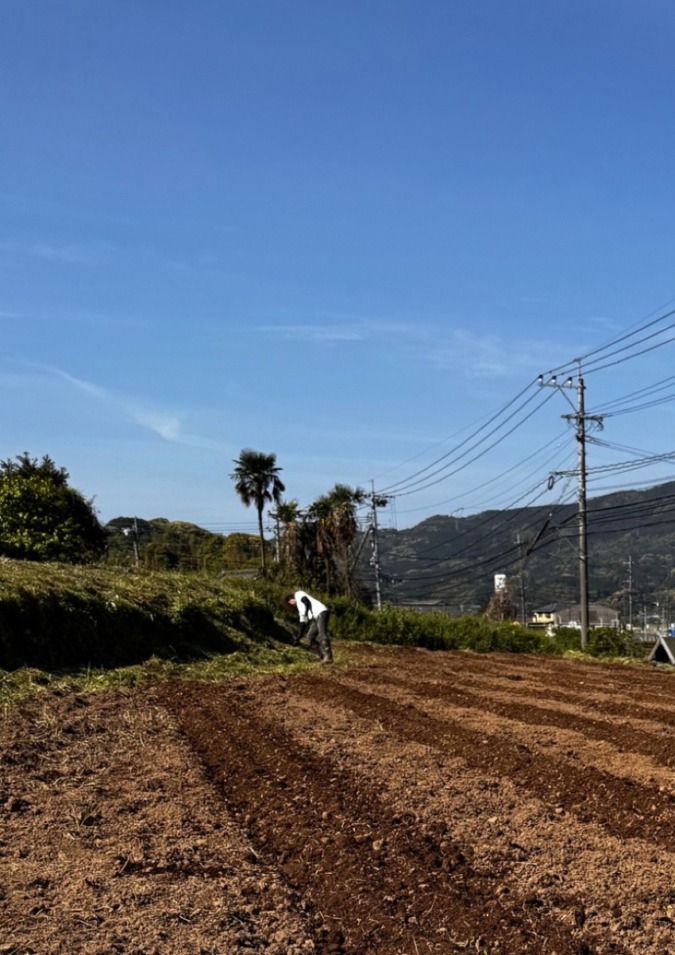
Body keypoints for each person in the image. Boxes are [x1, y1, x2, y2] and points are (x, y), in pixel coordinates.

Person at [285, 590, 333, 663]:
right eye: (290, 603)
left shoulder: (298, 594)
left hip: (320, 612)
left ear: (292, 598)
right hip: (315, 618)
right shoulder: (300, 609)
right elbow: (302, 625)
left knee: (322, 634)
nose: (292, 603)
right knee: (310, 636)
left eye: (291, 601)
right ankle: (319, 655)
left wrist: (306, 612)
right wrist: (298, 638)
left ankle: (328, 656)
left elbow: (306, 601)